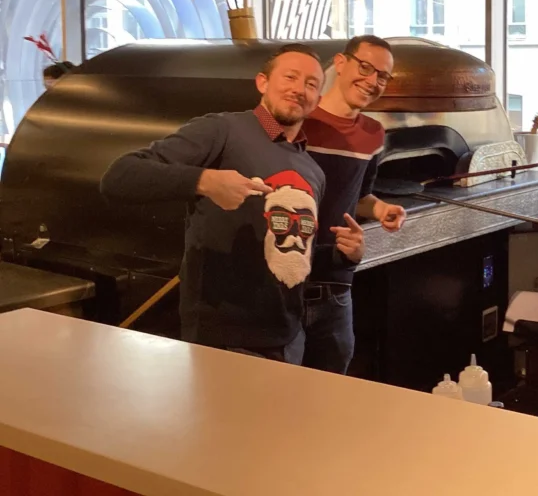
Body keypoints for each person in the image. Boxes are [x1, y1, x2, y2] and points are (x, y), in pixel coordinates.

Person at [101, 43, 354, 363]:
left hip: (289, 336)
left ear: (317, 99)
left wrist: (343, 256)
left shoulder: (312, 171)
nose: (299, 89)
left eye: (311, 84)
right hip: (226, 337)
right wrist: (203, 180)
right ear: (263, 82)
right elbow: (120, 177)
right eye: (290, 77)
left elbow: (290, 253)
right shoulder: (222, 130)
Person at [301, 35, 406, 375]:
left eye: (383, 76)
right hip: (283, 283)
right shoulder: (299, 119)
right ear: (341, 63)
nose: (372, 81)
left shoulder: (374, 134)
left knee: (331, 394)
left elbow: (360, 196)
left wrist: (381, 210)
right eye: (366, 67)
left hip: (335, 284)